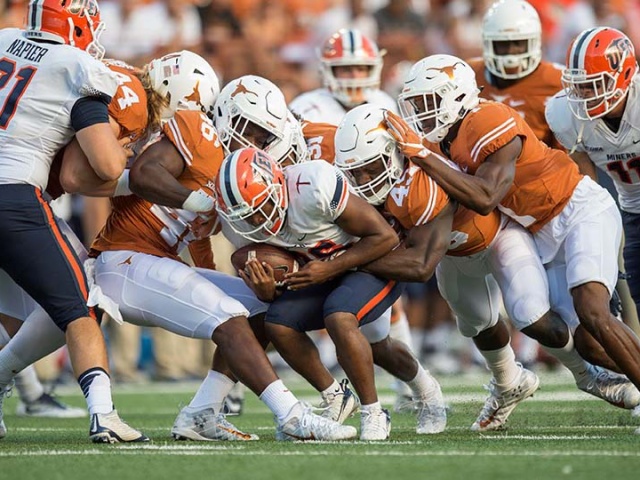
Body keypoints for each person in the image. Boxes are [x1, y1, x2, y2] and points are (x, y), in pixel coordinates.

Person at [89, 83, 357, 442]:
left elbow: (199, 243)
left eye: (265, 136)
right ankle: (292, 416)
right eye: (255, 132)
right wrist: (196, 201)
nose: (259, 143)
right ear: (232, 117)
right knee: (228, 316)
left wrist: (219, 283)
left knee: (262, 307)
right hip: (124, 260)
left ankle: (202, 413)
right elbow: (143, 175)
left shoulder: (238, 173)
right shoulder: (200, 131)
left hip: (155, 261)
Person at [391, 53, 640, 421]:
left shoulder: (488, 119)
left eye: (427, 103)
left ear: (456, 97)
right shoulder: (442, 141)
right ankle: (591, 375)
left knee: (592, 309)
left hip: (578, 209)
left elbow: (485, 197)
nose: (420, 115)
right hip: (539, 230)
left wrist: (424, 157)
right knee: (584, 340)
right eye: (414, 105)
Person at [0, 49, 219, 440]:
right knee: (82, 300)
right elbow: (73, 175)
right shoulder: (129, 96)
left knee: (39, 310)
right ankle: (102, 413)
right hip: (18, 199)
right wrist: (137, 178)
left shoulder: (114, 77)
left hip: (17, 189)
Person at [0, 0, 147, 443]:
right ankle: (103, 414)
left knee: (11, 309)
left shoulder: (4, 41)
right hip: (14, 196)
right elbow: (103, 165)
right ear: (77, 25)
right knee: (81, 309)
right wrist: (128, 153)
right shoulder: (78, 66)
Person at [215, 146, 405, 441]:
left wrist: (330, 269)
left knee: (340, 317)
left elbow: (384, 237)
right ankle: (336, 397)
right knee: (278, 322)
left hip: (374, 263)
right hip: (325, 272)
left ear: (276, 185)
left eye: (260, 208)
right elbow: (283, 279)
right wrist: (267, 292)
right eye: (247, 216)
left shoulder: (312, 185)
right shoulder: (241, 227)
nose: (256, 221)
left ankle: (374, 412)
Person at [545, 27, 640, 341]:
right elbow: (589, 191)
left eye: (595, 84)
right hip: (633, 208)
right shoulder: (565, 114)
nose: (585, 94)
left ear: (625, 74)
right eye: (580, 86)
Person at [471, 0, 564, 149]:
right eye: (503, 44)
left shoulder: (558, 82)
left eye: (518, 43)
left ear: (534, 42)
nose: (511, 52)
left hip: (537, 170)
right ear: (489, 43)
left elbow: (567, 159)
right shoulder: (469, 75)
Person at [289, 28, 397, 125]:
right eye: (346, 69)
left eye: (361, 69)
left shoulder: (384, 103)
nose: (355, 76)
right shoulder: (307, 108)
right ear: (330, 71)